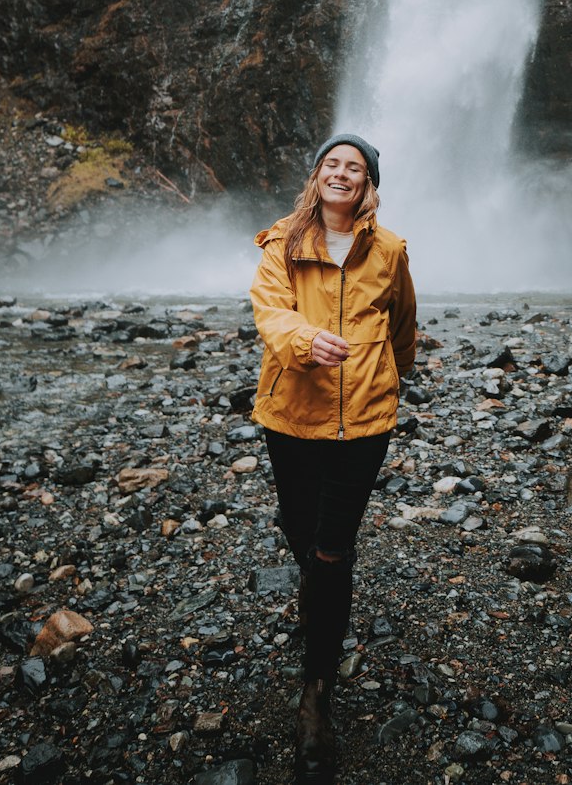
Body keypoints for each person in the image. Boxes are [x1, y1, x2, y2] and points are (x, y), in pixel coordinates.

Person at [249, 132, 417, 783]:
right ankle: (323, 605)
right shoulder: (282, 242)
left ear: (368, 185)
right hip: (293, 414)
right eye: (332, 164)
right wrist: (302, 339)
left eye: (355, 167)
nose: (342, 173)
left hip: (365, 422)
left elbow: (402, 320)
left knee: (331, 549)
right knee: (302, 532)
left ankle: (317, 691)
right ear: (317, 177)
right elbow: (270, 310)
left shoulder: (390, 250)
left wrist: (393, 373)